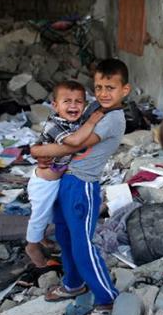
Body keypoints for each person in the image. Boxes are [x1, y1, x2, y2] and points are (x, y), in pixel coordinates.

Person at [31, 58, 130, 315]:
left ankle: (107, 298)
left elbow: (72, 146)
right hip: (65, 181)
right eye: (98, 87)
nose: (103, 93)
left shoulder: (113, 118)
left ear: (125, 90)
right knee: (64, 235)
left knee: (83, 244)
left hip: (83, 186)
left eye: (110, 87)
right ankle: (73, 283)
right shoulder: (96, 107)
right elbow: (64, 127)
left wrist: (37, 150)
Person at [25, 81, 105, 268]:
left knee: (52, 213)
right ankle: (32, 247)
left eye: (78, 102)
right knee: (39, 216)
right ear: (55, 105)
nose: (73, 105)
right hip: (44, 184)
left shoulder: (76, 121)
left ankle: (42, 238)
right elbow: (75, 141)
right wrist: (93, 121)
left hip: (58, 179)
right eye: (67, 101)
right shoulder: (54, 125)